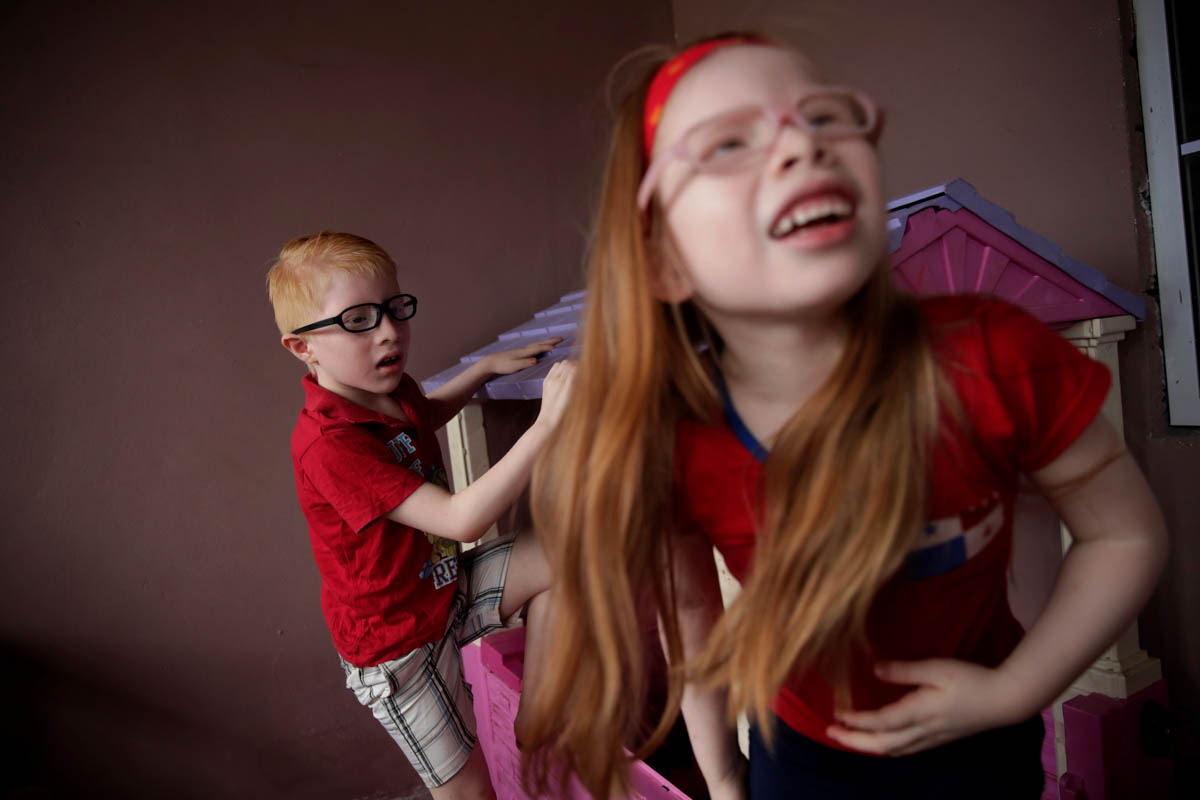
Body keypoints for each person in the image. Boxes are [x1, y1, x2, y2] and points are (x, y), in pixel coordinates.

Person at [516, 35, 1168, 800]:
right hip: (801, 760)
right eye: (728, 144)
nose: (802, 144)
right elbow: (690, 611)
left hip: (983, 745)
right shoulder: (679, 438)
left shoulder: (994, 355)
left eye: (822, 118)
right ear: (665, 260)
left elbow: (1123, 533)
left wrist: (1014, 691)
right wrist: (723, 778)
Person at [266, 231, 573, 799]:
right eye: (358, 319)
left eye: (393, 308)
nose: (389, 331)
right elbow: (461, 520)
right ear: (302, 347)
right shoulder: (329, 443)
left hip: (444, 588)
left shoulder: (386, 389)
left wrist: (483, 370)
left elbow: (425, 413)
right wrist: (548, 424)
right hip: (398, 646)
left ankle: (535, 720)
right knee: (470, 791)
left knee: (570, 558)